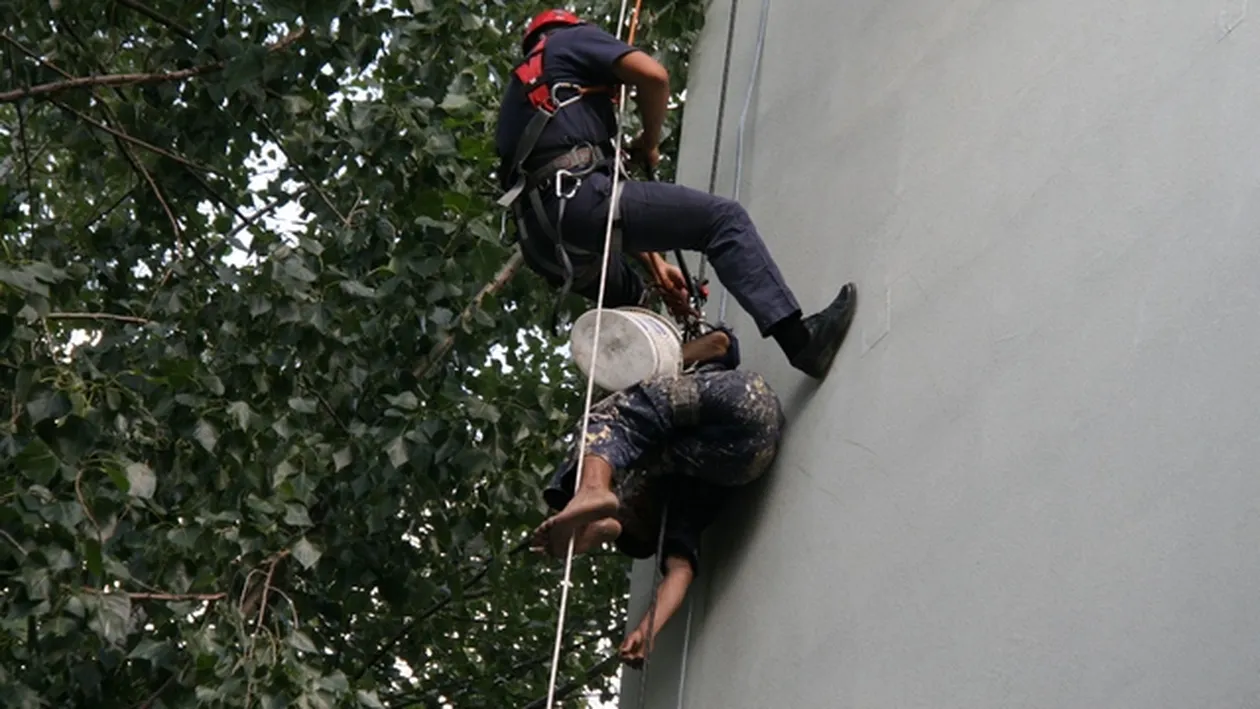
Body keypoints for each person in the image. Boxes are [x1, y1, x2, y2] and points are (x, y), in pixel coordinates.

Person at [495, 9, 858, 379]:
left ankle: (685, 366)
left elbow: (594, 213)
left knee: (639, 305)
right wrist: (649, 141)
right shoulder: (570, 41)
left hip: (544, 239)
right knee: (721, 221)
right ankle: (801, 342)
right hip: (579, 201)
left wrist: (657, 265)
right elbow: (654, 76)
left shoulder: (521, 97)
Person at [531, 327, 783, 665]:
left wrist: (649, 628)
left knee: (623, 428)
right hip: (744, 417)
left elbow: (680, 571)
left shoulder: (672, 501)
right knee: (608, 418)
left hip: (741, 454)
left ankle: (603, 516)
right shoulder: (672, 499)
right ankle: (595, 496)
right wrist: (663, 361)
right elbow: (721, 343)